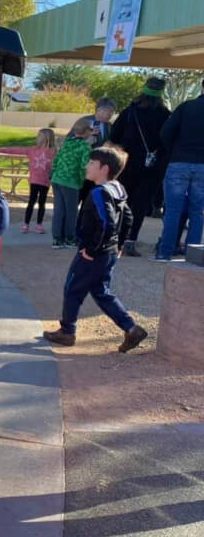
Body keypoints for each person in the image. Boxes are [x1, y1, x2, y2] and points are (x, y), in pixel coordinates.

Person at [43, 146, 148, 353]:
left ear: (104, 168)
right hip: (108, 253)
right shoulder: (118, 188)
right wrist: (118, 245)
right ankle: (131, 328)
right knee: (101, 292)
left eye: (91, 163)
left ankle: (67, 331)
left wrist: (92, 249)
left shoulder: (99, 193)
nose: (87, 166)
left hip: (94, 254)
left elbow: (107, 222)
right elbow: (128, 218)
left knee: (72, 288)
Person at [110, 77, 170, 256]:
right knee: (141, 205)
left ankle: (114, 238)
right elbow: (169, 140)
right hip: (153, 166)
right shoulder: (166, 115)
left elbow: (114, 135)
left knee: (122, 201)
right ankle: (130, 240)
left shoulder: (130, 112)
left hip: (127, 163)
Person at [155, 78, 204, 261]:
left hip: (179, 161)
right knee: (197, 212)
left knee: (173, 211)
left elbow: (165, 132)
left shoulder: (186, 107)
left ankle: (165, 252)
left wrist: (173, 151)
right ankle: (192, 256)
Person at [50, 118, 95, 249]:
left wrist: (53, 173)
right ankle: (70, 238)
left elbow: (56, 159)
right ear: (87, 132)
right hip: (71, 182)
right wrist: (82, 180)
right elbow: (83, 166)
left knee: (59, 209)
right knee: (71, 211)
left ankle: (57, 239)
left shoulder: (66, 143)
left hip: (57, 178)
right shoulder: (85, 146)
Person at [22, 128, 56, 234]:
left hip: (45, 182)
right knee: (31, 202)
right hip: (34, 181)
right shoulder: (33, 150)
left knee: (42, 202)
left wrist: (52, 178)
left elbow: (55, 165)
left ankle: (39, 224)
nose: (38, 138)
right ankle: (26, 224)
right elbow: (17, 150)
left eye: (40, 136)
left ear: (46, 138)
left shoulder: (53, 151)